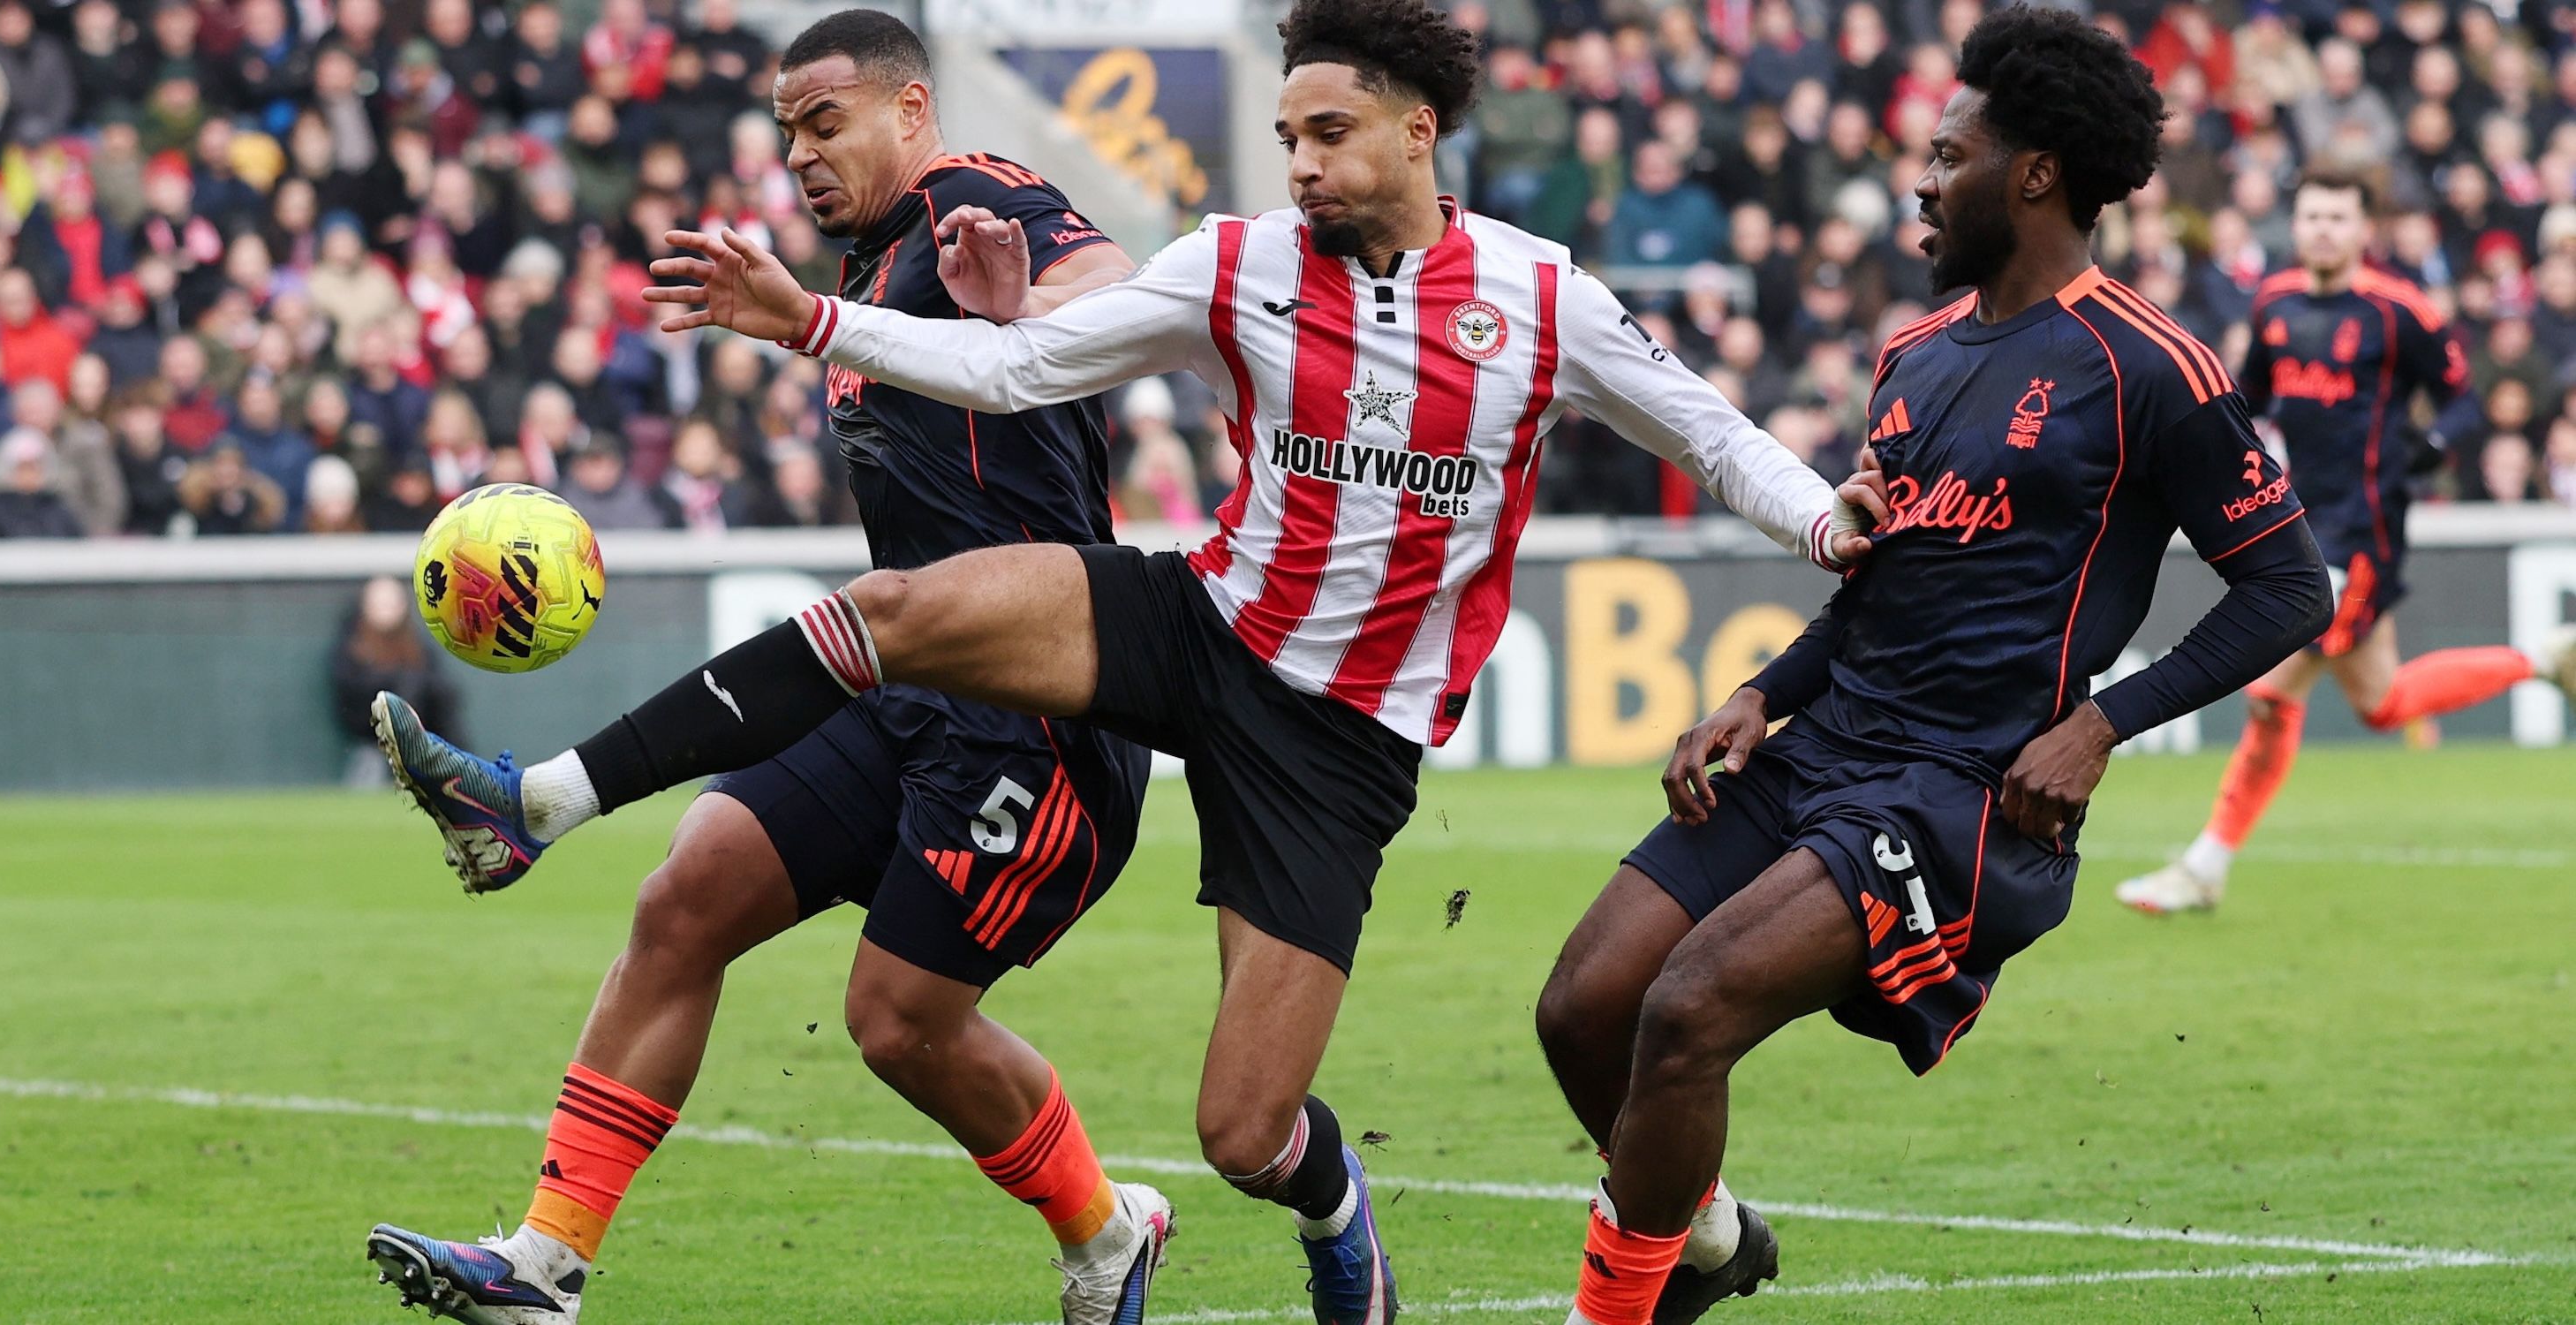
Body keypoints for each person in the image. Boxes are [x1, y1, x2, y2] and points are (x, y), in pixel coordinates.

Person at [371, 4, 1883, 1322]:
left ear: (1421, 133)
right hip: (1202, 623)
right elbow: (1025, 361)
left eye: (1329, 134)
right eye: (1286, 136)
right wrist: (819, 321)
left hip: (1339, 740)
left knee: (1240, 1130)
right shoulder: (1244, 263)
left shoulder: (1544, 302)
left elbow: (1713, 434)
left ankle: (1326, 1205)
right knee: (891, 615)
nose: (1297, 165)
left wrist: (1825, 526)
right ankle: (543, 802)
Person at [362, 13, 1175, 1325]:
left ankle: (1108, 1228)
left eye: (826, 121)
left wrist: (1027, 307)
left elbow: (1127, 290)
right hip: (907, 690)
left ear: (912, 110)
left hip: (1040, 722)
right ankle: (543, 1265)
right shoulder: (862, 267)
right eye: (787, 130)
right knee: (687, 894)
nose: (799, 153)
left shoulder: (981, 199)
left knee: (898, 1024)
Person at [1530, 12, 2336, 1323]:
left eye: (1947, 152)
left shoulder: (2150, 364)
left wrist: (2101, 724)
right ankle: (1710, 1239)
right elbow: (1879, 595)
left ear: (2032, 175)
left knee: (1685, 1013)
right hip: (1827, 747)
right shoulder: (1912, 357)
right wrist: (1761, 694)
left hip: (1965, 796)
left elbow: (2293, 586)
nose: (1919, 176)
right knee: (1584, 1004)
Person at [2115, 171, 2576, 915]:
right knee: (2383, 701)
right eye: (2312, 215)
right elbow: (2251, 405)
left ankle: (2204, 864)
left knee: (2272, 687)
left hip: (2363, 535)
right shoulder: (2274, 305)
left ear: (2364, 229)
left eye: (2338, 216)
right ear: (2295, 226)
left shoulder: (2400, 311)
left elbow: (2464, 397)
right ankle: (2541, 659)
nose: (2323, 228)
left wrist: (2430, 442)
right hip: (2300, 520)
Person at [332, 576, 460, 788]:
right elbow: (349, 696)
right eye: (379, 604)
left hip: (421, 744)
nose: (386, 611)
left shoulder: (418, 648)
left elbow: (442, 694)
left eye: (391, 604)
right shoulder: (352, 647)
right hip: (370, 739)